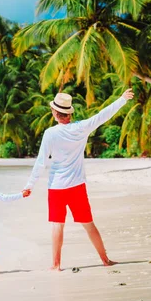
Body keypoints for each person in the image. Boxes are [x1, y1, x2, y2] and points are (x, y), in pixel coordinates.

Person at [24, 89, 134, 270]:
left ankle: (56, 265)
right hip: (76, 187)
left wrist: (29, 186)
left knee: (57, 226)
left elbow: (41, 162)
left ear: (54, 113)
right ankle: (105, 260)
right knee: (89, 225)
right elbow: (102, 115)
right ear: (69, 113)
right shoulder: (81, 127)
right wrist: (122, 100)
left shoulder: (50, 133)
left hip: (57, 188)